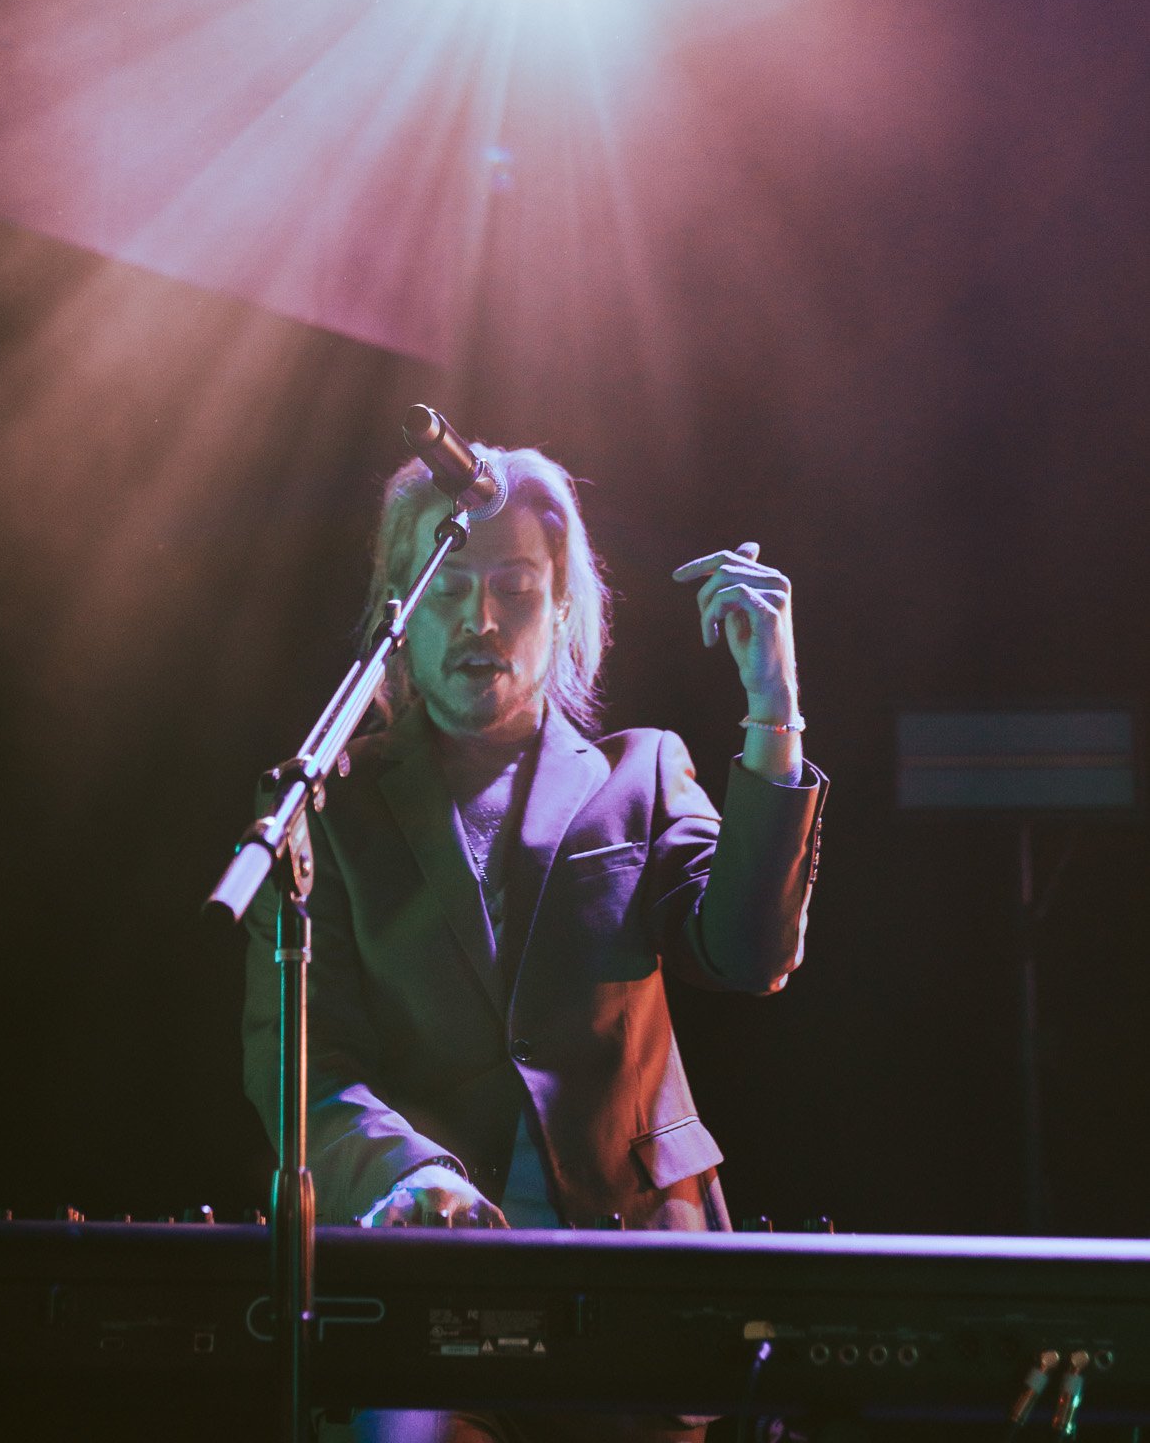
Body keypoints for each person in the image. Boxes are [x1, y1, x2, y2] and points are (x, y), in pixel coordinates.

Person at [243, 444, 827, 1442]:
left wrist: (774, 709)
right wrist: (408, 1174)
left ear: (564, 609)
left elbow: (748, 950)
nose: (477, 620)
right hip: (428, 1288)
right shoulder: (327, 808)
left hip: (636, 1279)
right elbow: (303, 1065)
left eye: (514, 588)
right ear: (400, 613)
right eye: (447, 588)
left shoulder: (638, 772)